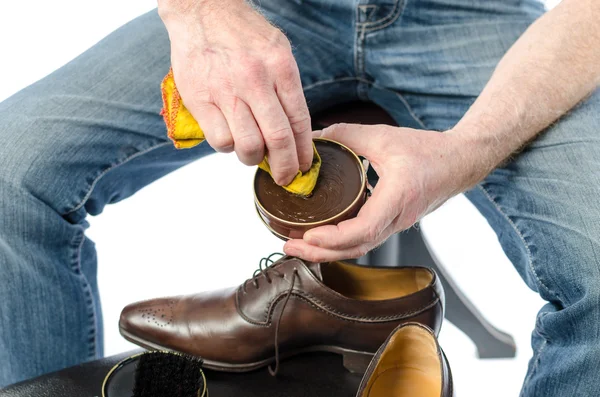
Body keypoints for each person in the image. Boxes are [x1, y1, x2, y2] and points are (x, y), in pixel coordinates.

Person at [0, 0, 598, 394]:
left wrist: (466, 150)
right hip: (265, 8)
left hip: (478, 17)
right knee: (9, 174)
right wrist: (204, 15)